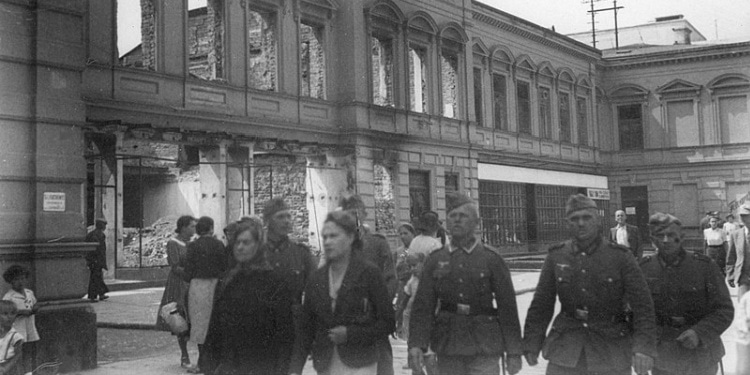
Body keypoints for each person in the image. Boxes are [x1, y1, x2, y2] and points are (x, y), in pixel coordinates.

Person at [523, 194, 657, 375]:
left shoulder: (621, 256)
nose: (581, 223)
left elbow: (643, 305)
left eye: (587, 217)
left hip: (610, 351)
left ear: (598, 219)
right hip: (566, 350)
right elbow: (541, 304)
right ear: (567, 223)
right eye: (574, 219)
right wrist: (532, 342)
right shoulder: (557, 255)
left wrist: (643, 347)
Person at [409, 192, 523, 375]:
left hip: (485, 343)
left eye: (463, 216)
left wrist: (514, 351)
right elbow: (423, 305)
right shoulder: (436, 259)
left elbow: (507, 307)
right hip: (449, 343)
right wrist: (416, 344)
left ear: (476, 223)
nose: (457, 220)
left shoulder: (491, 259)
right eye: (453, 216)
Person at [289, 211, 395, 375]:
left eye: (334, 236)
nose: (328, 242)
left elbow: (387, 322)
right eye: (325, 237)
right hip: (326, 363)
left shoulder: (369, 273)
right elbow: (306, 328)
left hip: (361, 362)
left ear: (350, 237)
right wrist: (295, 369)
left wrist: (351, 334)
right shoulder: (317, 278)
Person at [640, 212, 733, 375]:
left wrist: (699, 332)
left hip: (700, 355)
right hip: (663, 356)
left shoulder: (705, 266)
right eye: (660, 235)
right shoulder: (643, 269)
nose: (666, 240)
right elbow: (636, 313)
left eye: (671, 235)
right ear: (652, 239)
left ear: (681, 237)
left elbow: (724, 310)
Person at [202, 220, 294, 375]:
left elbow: (285, 333)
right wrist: (209, 365)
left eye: (246, 242)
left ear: (258, 245)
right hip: (230, 365)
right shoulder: (228, 281)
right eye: (237, 242)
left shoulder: (274, 282)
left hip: (262, 365)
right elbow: (215, 326)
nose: (240, 247)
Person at [339, 195, 397, 375]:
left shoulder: (377, 243)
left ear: (364, 215)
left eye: (356, 214)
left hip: (374, 317)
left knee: (382, 363)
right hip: (346, 318)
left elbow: (391, 278)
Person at [259, 198, 317, 372]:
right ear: (268, 221)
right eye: (280, 217)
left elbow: (315, 293)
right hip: (260, 326)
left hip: (292, 327)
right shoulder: (255, 252)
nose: (286, 221)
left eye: (288, 216)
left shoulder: (301, 253)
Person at [183, 216, 227, 374]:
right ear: (211, 228)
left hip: (198, 287)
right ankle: (214, 363)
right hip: (216, 286)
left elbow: (187, 273)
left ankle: (202, 362)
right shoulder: (219, 244)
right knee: (214, 323)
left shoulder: (193, 246)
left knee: (199, 324)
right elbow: (224, 267)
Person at [156, 215, 195, 368]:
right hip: (179, 283)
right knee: (180, 319)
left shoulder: (192, 243)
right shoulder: (173, 243)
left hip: (192, 282)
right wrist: (190, 273)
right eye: (191, 226)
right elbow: (174, 265)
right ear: (183, 227)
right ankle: (184, 355)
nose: (194, 229)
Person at [2, 266, 38, 375]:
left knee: (29, 350)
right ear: (10, 281)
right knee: (18, 352)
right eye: (16, 279)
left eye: (22, 278)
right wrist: (21, 312)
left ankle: (29, 372)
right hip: (17, 328)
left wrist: (36, 307)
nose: (20, 282)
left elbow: (34, 303)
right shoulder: (9, 296)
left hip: (30, 326)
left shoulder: (29, 293)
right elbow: (4, 312)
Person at [727, 202, 750, 301]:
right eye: (741, 216)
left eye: (746, 216)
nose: (744, 219)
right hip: (743, 276)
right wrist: (730, 274)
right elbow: (731, 256)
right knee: (742, 306)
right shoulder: (736, 235)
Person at [85, 218, 109, 302]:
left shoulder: (91, 234)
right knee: (95, 278)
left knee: (96, 277)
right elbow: (100, 250)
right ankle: (93, 296)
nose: (105, 226)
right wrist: (102, 261)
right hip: (96, 260)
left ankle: (100, 294)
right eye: (104, 225)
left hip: (92, 259)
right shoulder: (99, 235)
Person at [0, 300, 23, 375]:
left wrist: (6, 368)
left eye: (12, 313)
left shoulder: (15, 336)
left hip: (10, 368)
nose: (9, 317)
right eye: (5, 314)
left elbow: (18, 355)